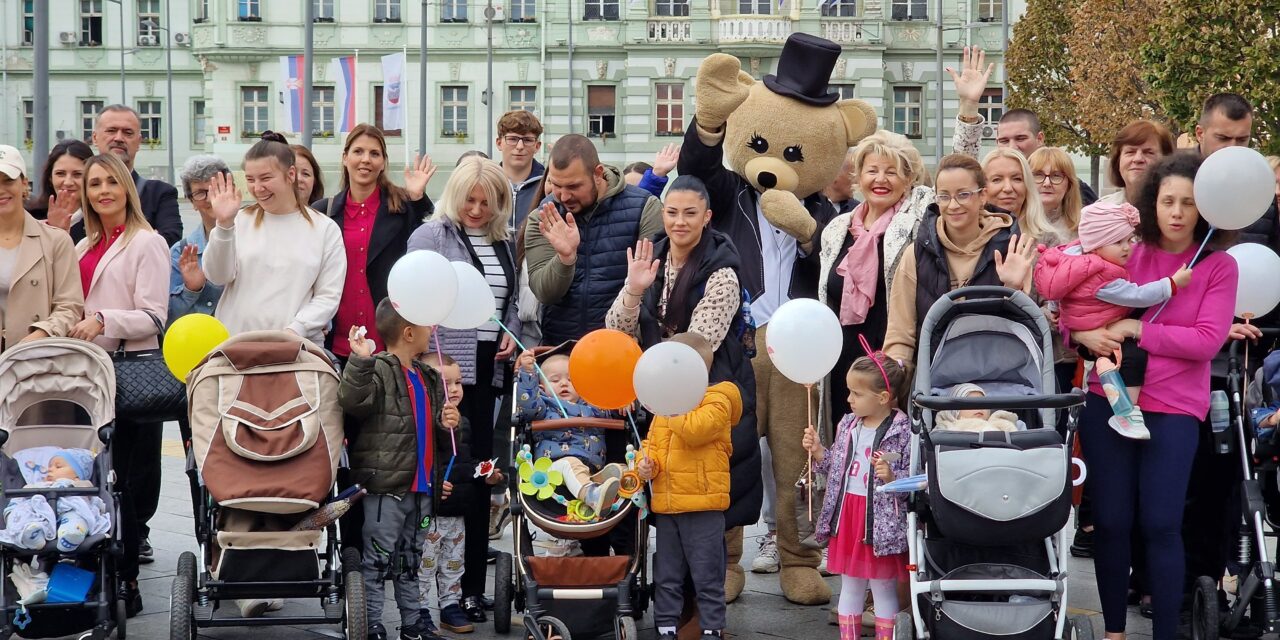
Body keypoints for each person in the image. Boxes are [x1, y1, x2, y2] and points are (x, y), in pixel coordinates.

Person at [1070, 152, 1237, 640]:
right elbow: (1077, 311)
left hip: (1174, 409)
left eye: (1189, 202)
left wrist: (1134, 329)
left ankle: (1166, 631)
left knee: (1162, 523)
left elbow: (1207, 340)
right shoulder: (1126, 250)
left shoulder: (1217, 265)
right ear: (1152, 204)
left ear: (1205, 208)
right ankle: (1115, 633)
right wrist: (1087, 337)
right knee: (1114, 522)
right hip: (1109, 398)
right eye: (1168, 201)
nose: (1179, 212)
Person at [604, 175, 763, 607]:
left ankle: (705, 601)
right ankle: (670, 599)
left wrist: (655, 375)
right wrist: (634, 289)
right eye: (672, 212)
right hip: (659, 393)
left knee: (707, 498)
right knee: (665, 499)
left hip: (707, 391)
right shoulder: (650, 256)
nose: (679, 221)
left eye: (690, 213)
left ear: (707, 216)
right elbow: (616, 330)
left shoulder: (722, 269)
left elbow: (698, 347)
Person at [407, 156, 521, 623]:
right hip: (445, 373)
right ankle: (433, 591)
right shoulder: (430, 236)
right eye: (470, 200)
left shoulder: (503, 241)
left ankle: (472, 587)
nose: (477, 210)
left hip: (487, 370)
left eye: (487, 202)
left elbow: (509, 300)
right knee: (447, 479)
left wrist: (511, 329)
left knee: (479, 480)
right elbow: (414, 296)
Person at [72, 152, 170, 617]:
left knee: (122, 482)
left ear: (127, 188)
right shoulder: (84, 243)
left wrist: (102, 319)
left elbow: (154, 315)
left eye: (112, 182)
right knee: (89, 479)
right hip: (87, 373)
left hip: (126, 372)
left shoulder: (146, 241)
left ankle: (128, 580)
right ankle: (93, 572)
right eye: (95, 184)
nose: (103, 190)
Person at [339, 299, 462, 640]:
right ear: (409, 333)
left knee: (411, 559)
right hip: (387, 488)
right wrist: (360, 361)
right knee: (377, 558)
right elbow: (353, 401)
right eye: (426, 324)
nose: (432, 330)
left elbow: (443, 434)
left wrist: (450, 422)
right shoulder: (379, 368)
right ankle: (372, 621)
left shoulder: (428, 376)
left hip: (422, 490)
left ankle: (413, 623)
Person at [1035, 201, 1194, 439]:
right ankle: (1126, 412)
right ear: (1096, 245)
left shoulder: (1071, 258)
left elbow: (1058, 291)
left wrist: (1056, 310)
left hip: (1082, 323)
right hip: (1096, 325)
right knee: (1133, 357)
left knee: (1112, 357)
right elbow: (1137, 295)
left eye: (1129, 240)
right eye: (1118, 242)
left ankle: (1105, 367)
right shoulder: (1102, 275)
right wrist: (1171, 284)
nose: (1127, 248)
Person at [818, 131, 932, 426]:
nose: (880, 179)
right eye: (872, 170)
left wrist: (968, 111)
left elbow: (958, 181)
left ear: (909, 180)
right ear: (858, 177)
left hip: (894, 363)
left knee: (888, 454)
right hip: (844, 362)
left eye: (892, 172)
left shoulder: (918, 222)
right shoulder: (837, 229)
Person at [636, 333, 741, 640]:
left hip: (703, 506)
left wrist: (670, 408)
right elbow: (652, 445)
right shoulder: (665, 408)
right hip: (668, 507)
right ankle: (666, 625)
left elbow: (695, 431)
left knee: (707, 574)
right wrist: (646, 464)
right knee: (667, 573)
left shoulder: (718, 399)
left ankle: (712, 627)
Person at [883, 154, 1037, 363]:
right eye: (944, 196)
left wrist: (1013, 288)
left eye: (963, 195)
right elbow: (900, 336)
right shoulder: (917, 254)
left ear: (983, 196)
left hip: (997, 379)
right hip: (934, 383)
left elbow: (1027, 333)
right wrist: (894, 376)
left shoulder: (1013, 249)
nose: (953, 205)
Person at [802, 352, 911, 640]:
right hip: (848, 514)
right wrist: (817, 451)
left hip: (880, 523)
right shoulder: (848, 425)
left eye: (856, 393)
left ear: (883, 397)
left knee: (883, 587)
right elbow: (834, 465)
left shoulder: (903, 431)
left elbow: (913, 479)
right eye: (850, 391)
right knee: (850, 586)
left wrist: (892, 477)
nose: (849, 399)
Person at [202, 132, 347, 346]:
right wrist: (223, 225)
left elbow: (328, 295)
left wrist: (295, 330)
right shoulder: (240, 220)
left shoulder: (324, 229)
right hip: (238, 348)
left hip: (296, 350)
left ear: (290, 175)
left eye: (266, 178)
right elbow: (217, 276)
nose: (258, 188)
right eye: (250, 179)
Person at [525, 133, 663, 347]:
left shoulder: (645, 207)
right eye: (556, 185)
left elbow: (654, 286)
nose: (563, 196)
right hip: (561, 349)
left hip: (623, 348)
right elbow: (545, 292)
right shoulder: (544, 215)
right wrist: (565, 258)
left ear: (598, 174)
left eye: (573, 186)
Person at [313, 124, 434, 360]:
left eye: (374, 154)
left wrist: (418, 199)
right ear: (345, 157)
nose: (365, 160)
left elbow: (427, 247)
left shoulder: (402, 207)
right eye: (358, 152)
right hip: (336, 340)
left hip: (389, 341)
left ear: (383, 162)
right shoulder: (323, 213)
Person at [946, 47, 1098, 204]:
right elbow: (961, 172)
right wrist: (969, 105)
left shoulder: (1067, 189)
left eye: (1020, 138)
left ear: (1039, 139)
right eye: (1004, 141)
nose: (1012, 147)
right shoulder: (991, 188)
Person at [419, 351, 503, 636]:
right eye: (446, 383)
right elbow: (420, 463)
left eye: (458, 382)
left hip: (458, 508)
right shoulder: (423, 420)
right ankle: (417, 607)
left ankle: (450, 604)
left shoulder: (463, 422)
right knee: (425, 564)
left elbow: (464, 463)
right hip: (431, 510)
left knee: (454, 561)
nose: (454, 389)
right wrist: (433, 482)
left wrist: (484, 473)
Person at [514, 346, 625, 514]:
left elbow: (611, 407)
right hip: (553, 467)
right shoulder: (543, 406)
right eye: (555, 380)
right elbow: (528, 405)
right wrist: (528, 374)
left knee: (622, 469)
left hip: (589, 467)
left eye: (571, 380)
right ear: (542, 387)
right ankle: (592, 495)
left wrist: (623, 400)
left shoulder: (592, 405)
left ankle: (597, 484)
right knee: (569, 464)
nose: (564, 383)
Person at [0, 145, 83, 352]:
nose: (1, 189)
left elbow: (69, 307)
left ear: (24, 183)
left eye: (8, 180)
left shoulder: (56, 241)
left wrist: (37, 337)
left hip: (36, 360)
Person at [84, 105, 182, 245]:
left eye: (128, 133)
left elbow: (170, 239)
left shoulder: (160, 194)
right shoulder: (81, 192)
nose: (118, 138)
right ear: (95, 137)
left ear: (139, 141)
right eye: (111, 131)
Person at [0, 448, 110, 553]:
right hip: (40, 514)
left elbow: (90, 493)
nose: (50, 469)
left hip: (68, 510)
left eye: (58, 466)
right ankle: (31, 534)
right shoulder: (37, 485)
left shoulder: (80, 484)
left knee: (80, 515)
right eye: (50, 466)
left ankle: (72, 534)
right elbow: (20, 498)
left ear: (78, 475)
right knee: (22, 512)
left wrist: (73, 484)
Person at [169, 155, 231, 323]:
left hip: (244, 341)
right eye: (201, 193)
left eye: (216, 188)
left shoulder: (253, 238)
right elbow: (168, 318)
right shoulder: (180, 252)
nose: (211, 198)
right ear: (192, 202)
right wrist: (191, 289)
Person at [982, 147, 1053, 244]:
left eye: (1017, 179)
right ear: (983, 188)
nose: (1008, 188)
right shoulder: (966, 236)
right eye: (997, 179)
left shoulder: (1048, 240)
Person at [24, 139, 94, 231]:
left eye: (77, 174)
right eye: (60, 173)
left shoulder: (102, 221)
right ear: (50, 177)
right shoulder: (31, 219)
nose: (68, 182)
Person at [1100, 120, 1175, 206]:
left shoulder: (1178, 211)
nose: (1138, 159)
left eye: (1148, 152)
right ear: (1118, 160)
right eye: (1130, 152)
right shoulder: (1100, 212)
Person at [496, 110, 545, 232]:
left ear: (537, 146)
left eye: (527, 140)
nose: (520, 146)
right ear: (499, 143)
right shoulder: (488, 183)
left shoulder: (547, 185)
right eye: (512, 139)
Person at [1028, 147, 1083, 249]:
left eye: (1056, 176)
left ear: (1069, 184)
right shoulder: (1015, 226)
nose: (1047, 183)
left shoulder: (1083, 229)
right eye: (1038, 175)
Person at [933, 383, 1019, 433]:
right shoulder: (948, 428)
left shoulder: (999, 422)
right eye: (971, 403)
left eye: (983, 403)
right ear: (955, 411)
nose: (979, 407)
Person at [821, 148, 862, 215]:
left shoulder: (858, 211)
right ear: (834, 174)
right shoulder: (807, 204)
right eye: (853, 175)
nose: (858, 181)